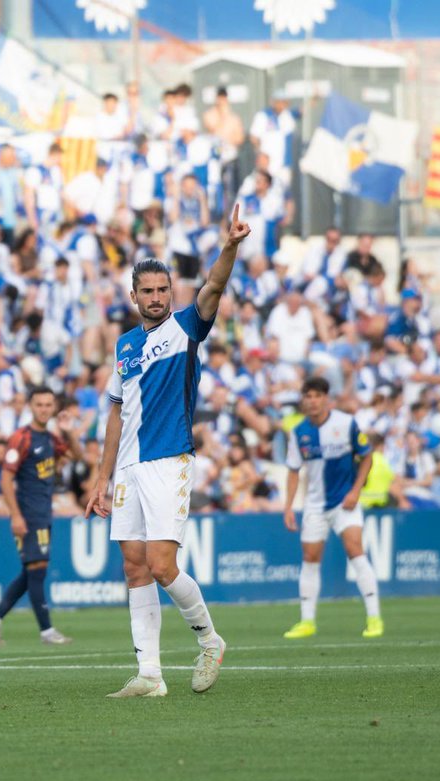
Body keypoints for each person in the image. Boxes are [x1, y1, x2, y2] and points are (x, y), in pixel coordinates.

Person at [84, 203, 251, 699]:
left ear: (172, 293)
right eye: (148, 291)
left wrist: (229, 248)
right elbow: (116, 411)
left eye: (163, 290)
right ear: (134, 296)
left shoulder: (185, 329)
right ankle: (150, 676)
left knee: (161, 565)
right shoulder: (125, 346)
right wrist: (101, 477)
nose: (157, 298)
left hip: (169, 459)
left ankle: (209, 639)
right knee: (134, 566)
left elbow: (215, 288)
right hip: (129, 469)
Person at [0, 388, 80, 646]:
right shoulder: (21, 438)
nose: (44, 409)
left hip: (43, 512)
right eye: (39, 404)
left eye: (48, 405)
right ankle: (46, 631)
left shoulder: (50, 438)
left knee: (33, 571)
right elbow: (6, 478)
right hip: (28, 514)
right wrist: (15, 516)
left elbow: (77, 457)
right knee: (37, 570)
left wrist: (68, 430)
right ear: (31, 407)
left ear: (54, 408)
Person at [282, 376, 383, 640]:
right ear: (303, 400)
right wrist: (289, 507)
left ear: (326, 398)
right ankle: (307, 621)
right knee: (310, 559)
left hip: (344, 502)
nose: (313, 401)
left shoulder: (346, 423)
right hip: (315, 505)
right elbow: (293, 471)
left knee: (355, 551)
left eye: (317, 395)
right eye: (308, 396)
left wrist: (355, 490)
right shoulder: (298, 432)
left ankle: (374, 617)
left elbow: (367, 456)